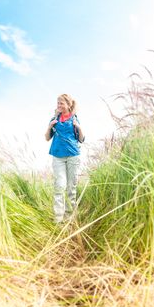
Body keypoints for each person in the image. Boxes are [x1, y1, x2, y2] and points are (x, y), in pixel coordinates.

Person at [45, 94, 85, 223]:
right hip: (58, 156)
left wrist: (78, 127)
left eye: (61, 103)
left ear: (68, 105)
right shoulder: (54, 119)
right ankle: (58, 219)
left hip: (73, 155)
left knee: (71, 187)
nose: (59, 105)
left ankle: (69, 219)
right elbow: (47, 138)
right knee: (59, 185)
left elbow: (81, 139)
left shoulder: (74, 119)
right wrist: (50, 126)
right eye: (58, 103)